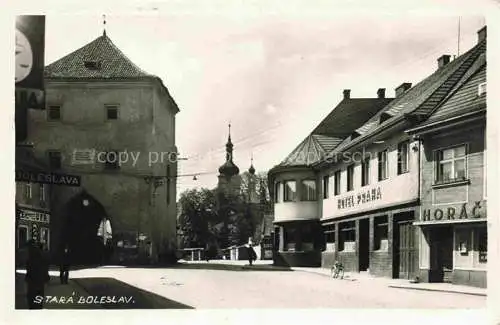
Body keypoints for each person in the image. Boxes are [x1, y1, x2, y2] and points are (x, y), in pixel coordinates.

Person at [25, 240, 50, 309]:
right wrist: (46, 276)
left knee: (31, 298)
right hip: (39, 279)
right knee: (38, 296)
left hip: (33, 280)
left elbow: (29, 269)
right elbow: (46, 266)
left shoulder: (31, 257)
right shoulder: (42, 255)